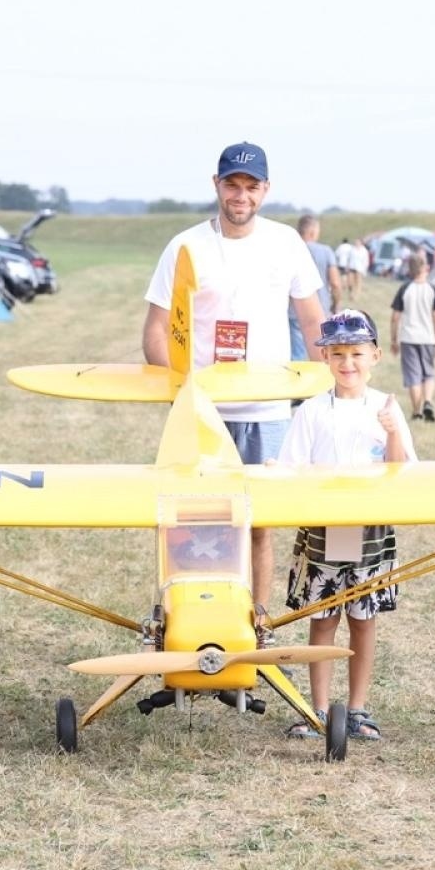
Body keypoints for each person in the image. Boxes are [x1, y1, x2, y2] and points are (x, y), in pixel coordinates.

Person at [142, 141, 324, 621]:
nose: (240, 195)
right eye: (232, 184)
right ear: (216, 185)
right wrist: (184, 394)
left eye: (250, 186)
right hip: (205, 415)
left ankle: (256, 622)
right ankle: (191, 621)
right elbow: (156, 330)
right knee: (195, 526)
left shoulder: (287, 243)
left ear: (265, 191)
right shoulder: (185, 246)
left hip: (268, 411)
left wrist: (337, 385)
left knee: (259, 524)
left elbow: (311, 323)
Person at [277, 310, 415, 741]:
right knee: (323, 619)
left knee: (363, 618)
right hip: (323, 528)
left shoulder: (386, 408)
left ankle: (357, 709)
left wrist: (392, 432)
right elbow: (289, 469)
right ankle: (317, 709)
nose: (348, 363)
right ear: (326, 360)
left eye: (356, 353)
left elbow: (404, 470)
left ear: (374, 356)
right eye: (338, 354)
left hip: (371, 529)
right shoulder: (312, 411)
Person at [390, 251, 435, 421]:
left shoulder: (405, 288)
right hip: (427, 338)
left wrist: (394, 340)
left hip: (408, 338)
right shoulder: (433, 289)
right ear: (426, 268)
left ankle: (417, 411)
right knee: (428, 373)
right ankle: (428, 401)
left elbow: (395, 317)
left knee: (413, 376)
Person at [290, 215, 342, 359]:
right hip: (320, 310)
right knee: (321, 355)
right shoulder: (325, 251)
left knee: (297, 355)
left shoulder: (289, 249)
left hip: (293, 311)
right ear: (313, 231)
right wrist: (336, 304)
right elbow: (335, 283)